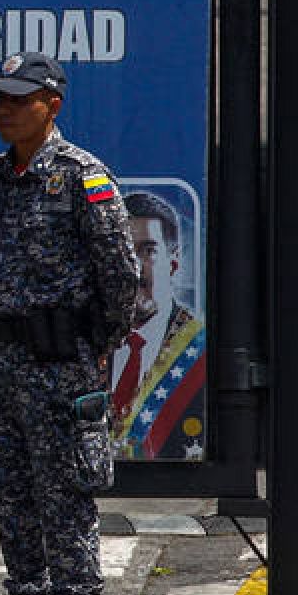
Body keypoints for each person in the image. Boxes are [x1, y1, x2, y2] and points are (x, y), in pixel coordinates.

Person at [0, 51, 138, 595]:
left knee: (64, 494)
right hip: (1, 361)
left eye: (19, 99)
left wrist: (91, 345)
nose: (5, 110)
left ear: (51, 105)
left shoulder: (84, 179)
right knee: (13, 492)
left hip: (60, 364)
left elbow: (122, 277)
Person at [109, 191, 204, 460]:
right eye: (123, 251)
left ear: (173, 263)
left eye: (147, 251)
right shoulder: (85, 341)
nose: (134, 267)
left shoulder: (200, 353)